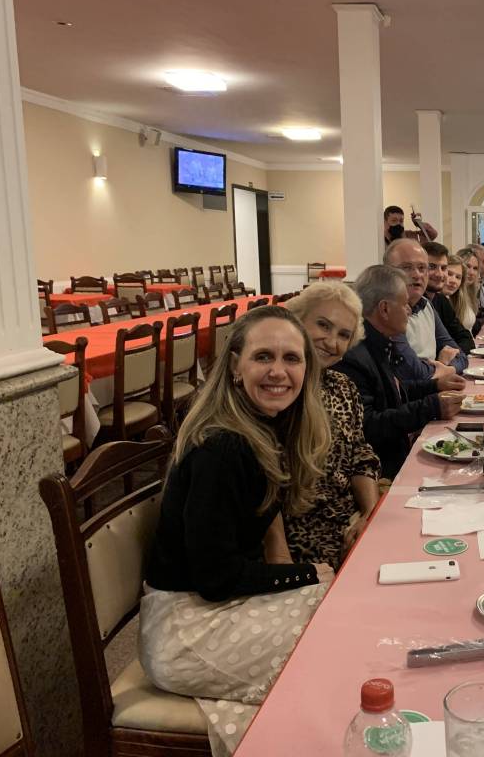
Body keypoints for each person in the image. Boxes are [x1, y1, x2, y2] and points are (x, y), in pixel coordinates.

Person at [140, 305, 333, 756]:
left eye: (291, 358)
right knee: (332, 651)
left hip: (211, 608)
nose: (278, 372)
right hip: (186, 632)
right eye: (263, 356)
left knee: (339, 612)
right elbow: (216, 577)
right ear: (234, 366)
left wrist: (304, 576)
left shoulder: (263, 429)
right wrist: (304, 574)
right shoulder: (223, 448)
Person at [284, 283, 382, 570]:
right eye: (323, 325)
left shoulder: (342, 386)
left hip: (347, 519)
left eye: (343, 335)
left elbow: (360, 454)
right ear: (297, 320)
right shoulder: (278, 391)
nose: (331, 342)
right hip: (301, 540)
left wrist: (369, 516)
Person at [336, 265, 465, 478]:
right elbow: (368, 426)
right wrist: (431, 407)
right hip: (380, 471)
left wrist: (434, 385)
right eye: (405, 304)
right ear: (384, 309)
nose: (409, 311)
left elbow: (392, 391)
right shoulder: (354, 357)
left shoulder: (379, 341)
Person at [384, 238, 469, 374]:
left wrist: (448, 369)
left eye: (422, 268)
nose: (417, 274)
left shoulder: (426, 305)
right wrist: (441, 367)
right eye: (407, 267)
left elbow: (461, 356)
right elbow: (409, 371)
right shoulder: (387, 311)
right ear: (387, 272)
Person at [422, 241, 475, 352]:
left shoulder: (441, 300)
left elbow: (466, 338)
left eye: (443, 268)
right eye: (432, 267)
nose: (439, 274)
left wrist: (454, 354)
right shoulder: (413, 302)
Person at [452, 247, 484, 334]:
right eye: (468, 266)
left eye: (475, 268)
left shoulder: (469, 293)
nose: (471, 272)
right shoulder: (452, 294)